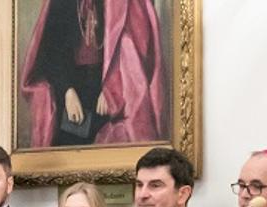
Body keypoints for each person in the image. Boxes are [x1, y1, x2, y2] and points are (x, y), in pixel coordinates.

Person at [19, 0, 164, 147]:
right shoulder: (61, 3)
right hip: (71, 84)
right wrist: (67, 92)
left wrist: (110, 89)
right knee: (69, 139)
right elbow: (51, 53)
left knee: (116, 136)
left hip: (105, 86)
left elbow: (126, 52)